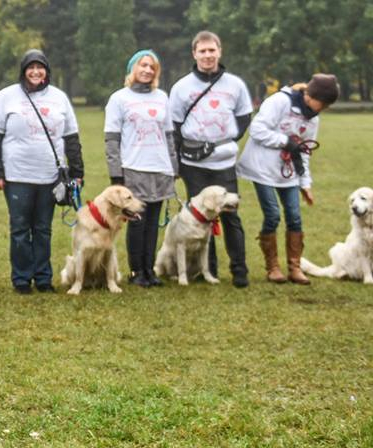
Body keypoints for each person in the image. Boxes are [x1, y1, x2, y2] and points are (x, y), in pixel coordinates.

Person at [0, 49, 84, 293]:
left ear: (47, 71)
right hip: (16, 175)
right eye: (31, 67)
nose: (36, 72)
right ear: (23, 70)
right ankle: (21, 279)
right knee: (19, 229)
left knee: (43, 229)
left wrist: (77, 171)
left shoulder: (59, 98)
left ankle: (42, 278)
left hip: (50, 176)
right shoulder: (7, 96)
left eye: (40, 67)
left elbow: (71, 137)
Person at [237, 74, 339, 285]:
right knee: (273, 215)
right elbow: (256, 130)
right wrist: (284, 141)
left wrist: (305, 183)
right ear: (310, 95)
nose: (323, 108)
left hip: (289, 172)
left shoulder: (313, 118)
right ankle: (273, 267)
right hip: (262, 169)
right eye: (323, 103)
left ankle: (295, 267)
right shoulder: (280, 101)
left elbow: (304, 151)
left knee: (294, 216)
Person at [169, 30, 253, 288]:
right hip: (194, 164)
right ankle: (209, 269)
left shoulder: (235, 85)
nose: (207, 55)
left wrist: (224, 141)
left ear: (220, 51)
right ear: (194, 54)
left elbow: (244, 117)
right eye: (202, 51)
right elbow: (174, 125)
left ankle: (239, 270)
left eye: (211, 50)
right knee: (201, 216)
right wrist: (182, 161)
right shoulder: (181, 87)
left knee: (231, 215)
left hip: (224, 162)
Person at [104, 50, 177, 288]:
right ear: (133, 68)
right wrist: (116, 172)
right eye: (143, 65)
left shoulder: (162, 97)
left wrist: (174, 166)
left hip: (160, 167)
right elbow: (112, 139)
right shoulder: (119, 99)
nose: (147, 70)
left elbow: (168, 135)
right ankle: (136, 271)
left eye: (152, 67)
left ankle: (149, 269)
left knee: (154, 221)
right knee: (137, 221)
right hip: (133, 167)